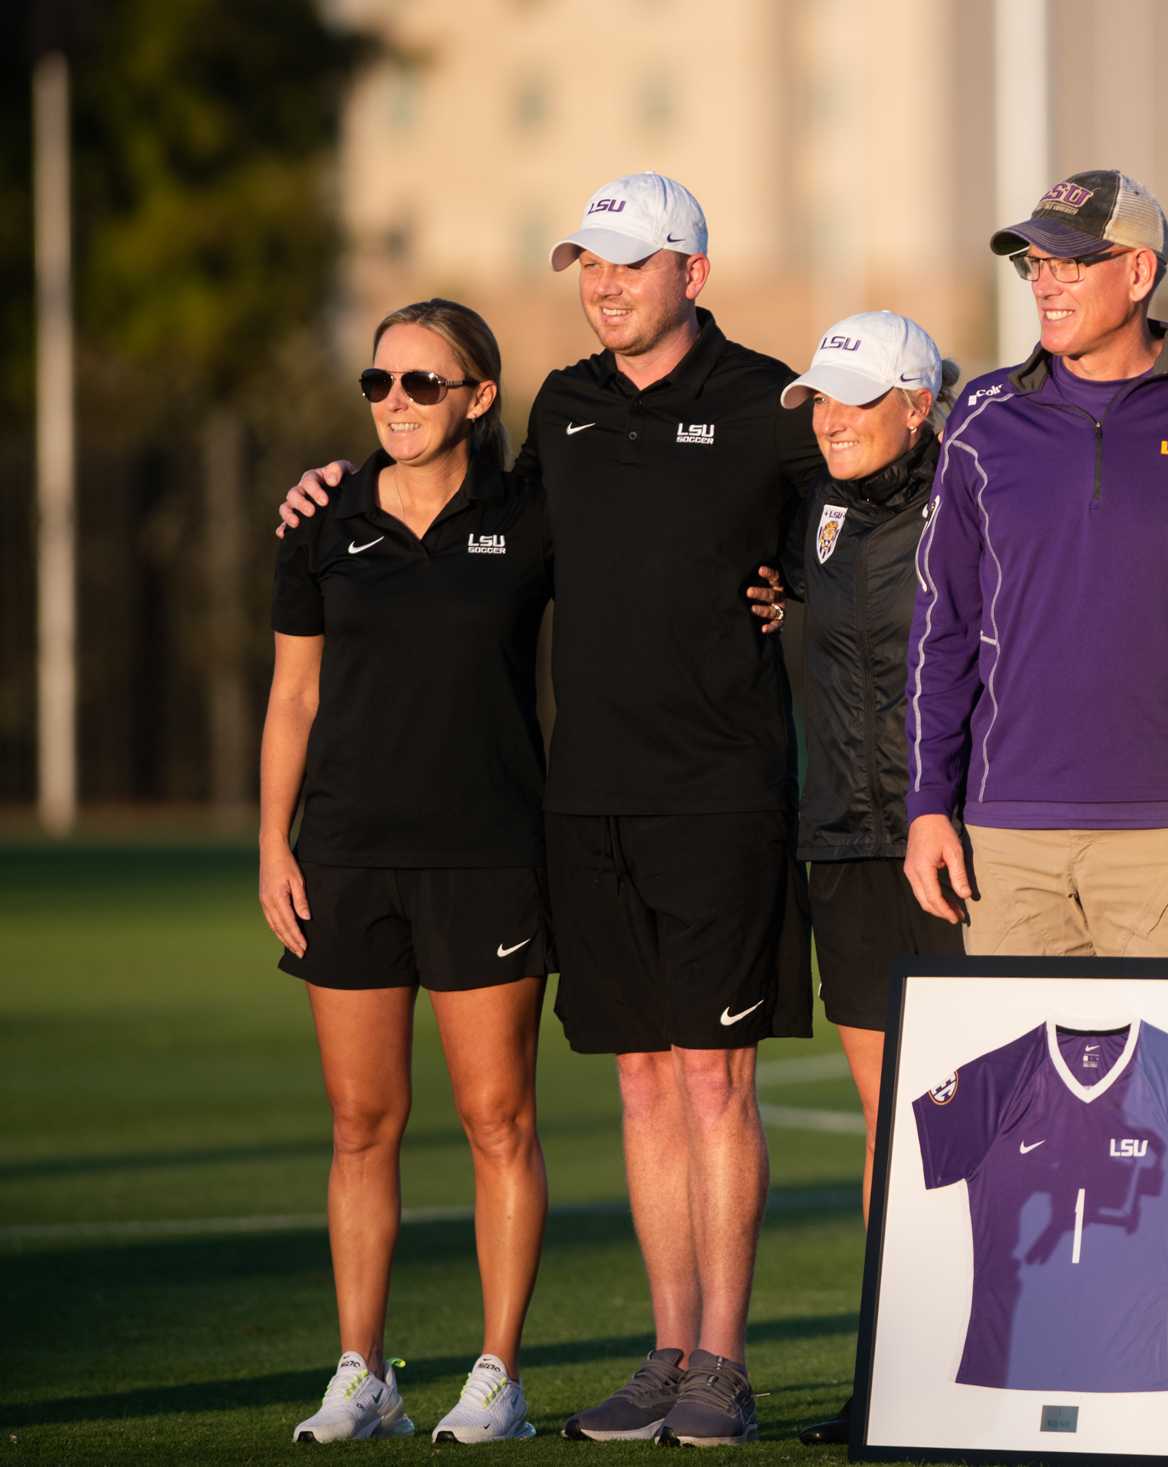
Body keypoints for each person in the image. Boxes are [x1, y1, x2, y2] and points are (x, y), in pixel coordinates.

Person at [277, 172, 821, 1448]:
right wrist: (333, 483)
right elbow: (441, 498)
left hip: (722, 793)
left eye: (629, 263)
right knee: (639, 1084)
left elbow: (856, 490)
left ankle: (725, 1368)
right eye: (589, 263)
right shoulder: (563, 414)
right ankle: (668, 1350)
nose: (604, 283)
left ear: (694, 268)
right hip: (585, 804)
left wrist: (789, 585)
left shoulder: (765, 399)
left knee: (713, 1081)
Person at [263, 299, 551, 1445]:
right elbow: (293, 695)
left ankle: (498, 1377)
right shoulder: (320, 519)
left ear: (478, 398)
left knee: (498, 1122)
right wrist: (273, 842)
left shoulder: (532, 515)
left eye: (423, 385)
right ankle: (363, 1372)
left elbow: (637, 602)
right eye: (379, 384)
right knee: (358, 1124)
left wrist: (764, 595)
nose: (395, 404)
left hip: (489, 856)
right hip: (345, 857)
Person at [900, 169, 1168, 956]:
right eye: (1036, 264)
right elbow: (940, 630)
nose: (1045, 284)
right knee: (1022, 1085)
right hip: (1006, 834)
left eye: (1070, 262)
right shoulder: (982, 419)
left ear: (1139, 271)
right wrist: (926, 806)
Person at [738, 311, 967, 1448]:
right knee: (891, 1125)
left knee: (987, 1116)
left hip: (961, 849)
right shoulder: (808, 507)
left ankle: (1002, 1369)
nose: (828, 417)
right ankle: (894, 1374)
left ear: (915, 406)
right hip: (845, 845)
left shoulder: (972, 497)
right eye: (820, 400)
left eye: (852, 398)